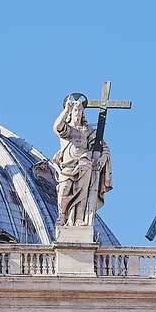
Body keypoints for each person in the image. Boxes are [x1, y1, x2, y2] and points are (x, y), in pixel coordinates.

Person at [51, 95, 113, 228]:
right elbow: (57, 126)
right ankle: (62, 216)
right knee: (64, 189)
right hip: (67, 166)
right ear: (70, 113)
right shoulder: (66, 130)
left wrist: (103, 157)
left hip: (85, 164)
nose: (78, 114)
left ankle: (79, 218)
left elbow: (103, 147)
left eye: (80, 111)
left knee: (82, 193)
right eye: (75, 111)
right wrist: (66, 110)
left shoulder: (88, 131)